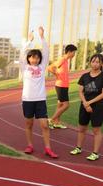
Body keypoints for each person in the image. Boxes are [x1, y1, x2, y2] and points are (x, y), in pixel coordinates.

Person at [20, 26, 58, 158]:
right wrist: (29, 41)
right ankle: (30, 145)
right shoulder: (24, 67)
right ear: (29, 58)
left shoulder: (42, 67)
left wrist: (42, 37)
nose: (35, 59)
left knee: (45, 125)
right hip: (28, 100)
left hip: (40, 100)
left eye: (37, 57)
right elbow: (22, 54)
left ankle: (48, 148)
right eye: (32, 57)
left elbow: (46, 52)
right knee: (29, 124)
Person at [70, 54, 103, 161]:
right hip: (84, 105)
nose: (95, 64)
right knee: (81, 128)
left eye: (97, 62)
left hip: (97, 107)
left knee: (96, 130)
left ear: (101, 63)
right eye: (93, 61)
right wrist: (85, 103)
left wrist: (89, 103)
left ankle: (95, 153)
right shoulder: (84, 76)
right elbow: (80, 91)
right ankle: (78, 147)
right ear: (90, 62)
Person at [48, 44, 77, 129]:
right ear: (69, 52)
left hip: (63, 86)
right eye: (74, 52)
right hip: (61, 86)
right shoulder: (62, 59)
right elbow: (50, 67)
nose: (74, 55)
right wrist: (56, 74)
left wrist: (58, 74)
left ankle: (56, 122)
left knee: (60, 105)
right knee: (66, 105)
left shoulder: (66, 60)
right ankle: (51, 120)